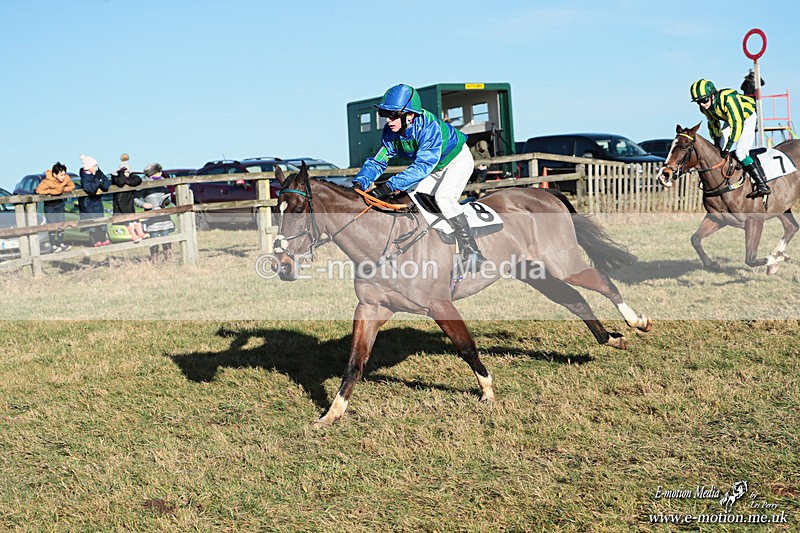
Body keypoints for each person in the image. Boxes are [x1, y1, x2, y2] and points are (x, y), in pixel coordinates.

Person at [353, 83, 486, 271]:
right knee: (413, 200)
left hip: (457, 161)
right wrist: (360, 181)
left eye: (394, 115)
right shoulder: (391, 133)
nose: (389, 121)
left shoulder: (429, 127)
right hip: (435, 167)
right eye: (386, 115)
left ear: (410, 115)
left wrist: (389, 186)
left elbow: (422, 167)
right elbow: (379, 161)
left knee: (443, 199)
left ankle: (472, 252)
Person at [690, 78, 770, 198]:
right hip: (729, 119)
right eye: (698, 102)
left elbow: (737, 123)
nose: (702, 104)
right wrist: (717, 144)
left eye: (704, 100)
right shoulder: (704, 108)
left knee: (740, 152)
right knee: (718, 152)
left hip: (746, 117)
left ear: (712, 95)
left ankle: (762, 185)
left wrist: (728, 146)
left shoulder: (728, 98)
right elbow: (713, 125)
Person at [135, 162, 175, 262]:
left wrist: (167, 200)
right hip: (152, 217)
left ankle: (168, 258)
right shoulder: (144, 183)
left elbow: (168, 195)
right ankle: (154, 260)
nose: (161, 174)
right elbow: (135, 198)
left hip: (164, 214)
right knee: (154, 237)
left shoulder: (163, 181)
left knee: (166, 236)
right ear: (152, 173)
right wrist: (143, 204)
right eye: (158, 172)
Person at [35, 162, 75, 252]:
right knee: (52, 225)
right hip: (49, 206)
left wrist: (62, 190)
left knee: (61, 224)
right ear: (55, 174)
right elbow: (39, 190)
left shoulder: (66, 178)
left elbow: (72, 186)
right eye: (61, 175)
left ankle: (61, 243)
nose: (63, 176)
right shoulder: (47, 181)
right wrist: (52, 191)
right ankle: (53, 245)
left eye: (64, 174)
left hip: (60, 204)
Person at [78, 154, 112, 246]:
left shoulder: (98, 172)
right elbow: (90, 189)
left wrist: (99, 179)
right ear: (88, 167)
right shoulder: (84, 177)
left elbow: (106, 185)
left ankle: (103, 239)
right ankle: (95, 241)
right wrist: (98, 180)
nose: (96, 167)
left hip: (97, 202)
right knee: (93, 223)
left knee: (101, 222)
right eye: (94, 166)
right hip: (88, 204)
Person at [111, 163, 149, 243]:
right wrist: (122, 174)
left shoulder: (131, 177)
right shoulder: (115, 176)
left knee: (135, 220)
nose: (126, 174)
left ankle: (141, 233)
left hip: (129, 202)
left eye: (128, 172)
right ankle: (134, 236)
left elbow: (138, 180)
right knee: (128, 222)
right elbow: (120, 182)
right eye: (124, 172)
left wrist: (127, 181)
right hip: (120, 204)